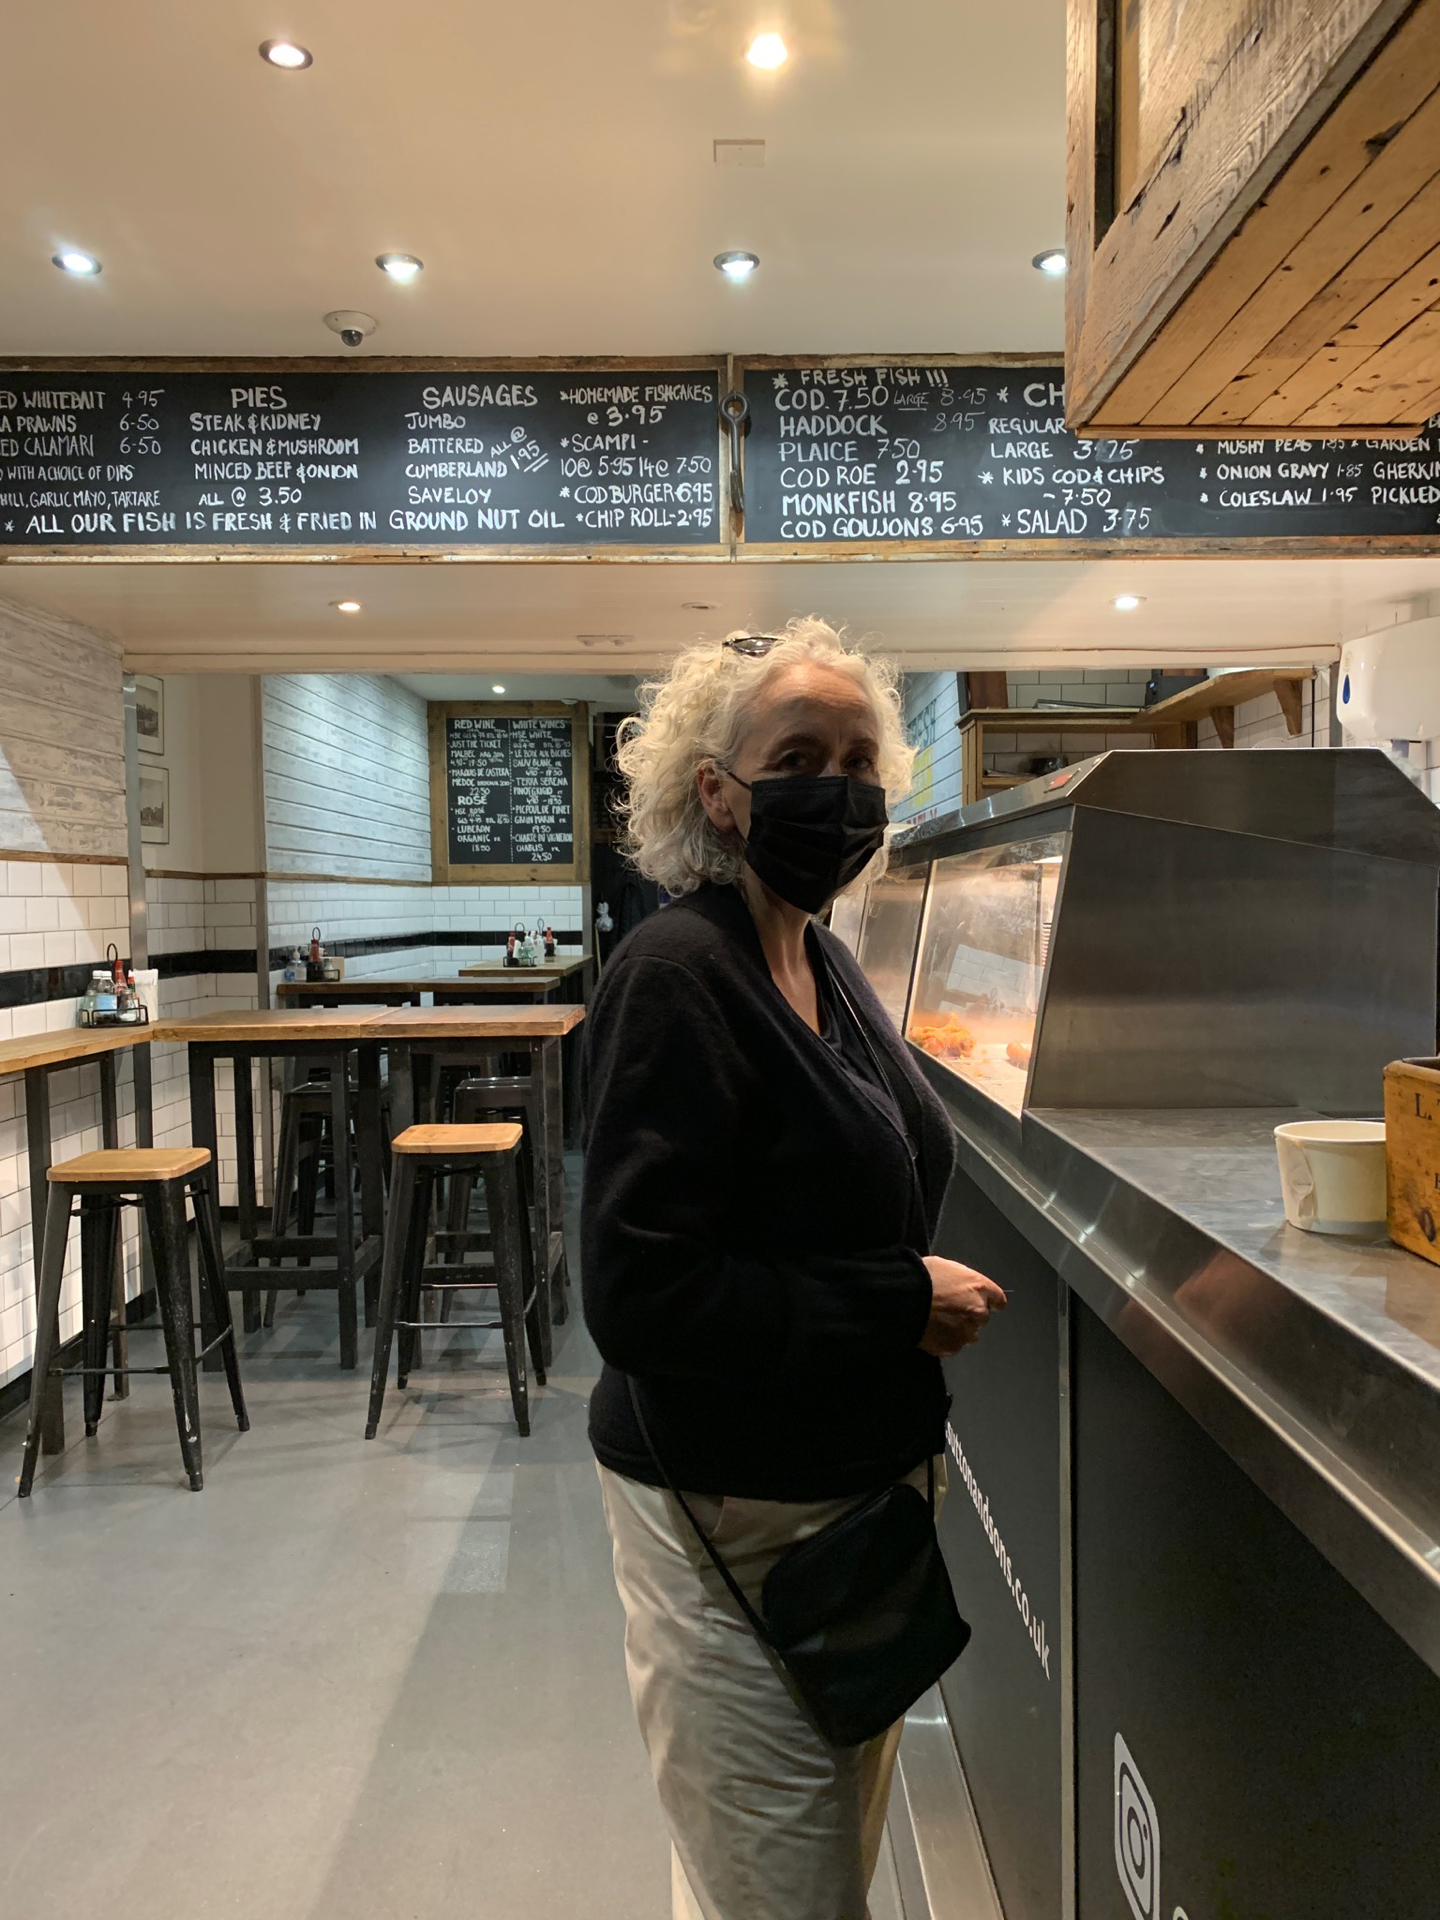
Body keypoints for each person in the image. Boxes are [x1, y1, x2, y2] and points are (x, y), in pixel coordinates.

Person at [580, 617, 1007, 1920]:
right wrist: (896, 1301)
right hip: (729, 1528)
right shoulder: (677, 974)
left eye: (860, 761)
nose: (839, 790)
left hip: (841, 1523)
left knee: (768, 1874)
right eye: (800, 759)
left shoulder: (817, 954)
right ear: (718, 792)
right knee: (787, 1889)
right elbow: (640, 1295)